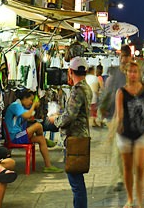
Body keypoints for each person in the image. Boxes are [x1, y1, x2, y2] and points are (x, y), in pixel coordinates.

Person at [51, 57, 92, 208]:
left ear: (70, 71)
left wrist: (55, 120)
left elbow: (69, 117)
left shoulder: (77, 90)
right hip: (81, 137)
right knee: (77, 181)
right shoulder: (86, 87)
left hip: (75, 140)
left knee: (76, 182)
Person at [117, 59, 144, 208]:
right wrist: (117, 124)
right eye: (130, 71)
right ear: (126, 73)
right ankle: (130, 199)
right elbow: (120, 113)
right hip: (125, 133)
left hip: (141, 132)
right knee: (128, 167)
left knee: (140, 167)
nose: (132, 74)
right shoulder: (121, 91)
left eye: (135, 71)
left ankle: (140, 201)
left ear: (139, 73)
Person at [3, 89, 62, 172]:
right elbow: (27, 115)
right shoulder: (15, 105)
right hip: (14, 137)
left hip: (19, 135)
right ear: (24, 98)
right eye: (31, 100)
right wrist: (34, 106)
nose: (31, 102)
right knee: (38, 126)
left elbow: (27, 117)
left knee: (40, 139)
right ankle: (44, 139)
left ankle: (48, 166)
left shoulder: (20, 106)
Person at [101, 44, 133, 192]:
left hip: (132, 119)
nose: (124, 59)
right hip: (116, 118)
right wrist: (102, 110)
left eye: (127, 56)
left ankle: (126, 174)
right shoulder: (114, 76)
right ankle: (120, 178)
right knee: (117, 150)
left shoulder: (135, 73)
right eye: (122, 56)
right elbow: (108, 94)